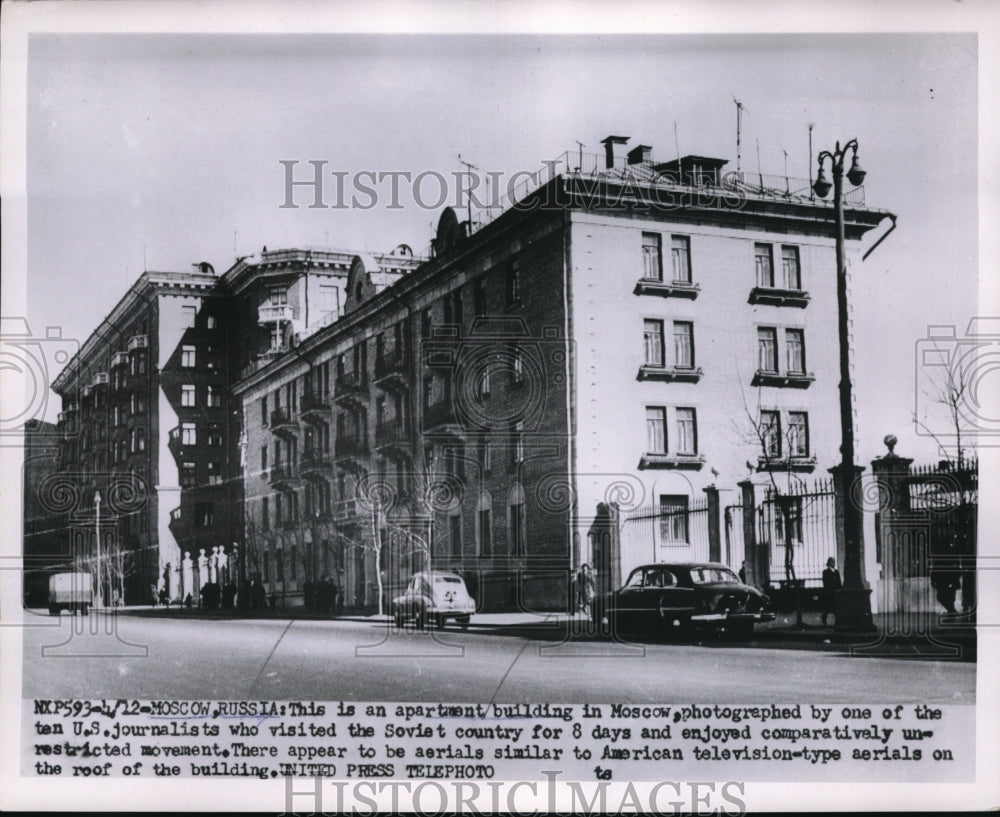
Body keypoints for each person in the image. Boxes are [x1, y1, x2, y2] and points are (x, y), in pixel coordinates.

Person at [821, 557, 841, 626]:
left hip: (835, 592)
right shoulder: (825, 572)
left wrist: (838, 589)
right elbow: (825, 582)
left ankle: (837, 621)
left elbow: (839, 582)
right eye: (832, 562)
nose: (833, 563)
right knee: (829, 607)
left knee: (836, 607)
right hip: (829, 592)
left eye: (834, 562)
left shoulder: (836, 572)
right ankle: (824, 616)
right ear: (829, 563)